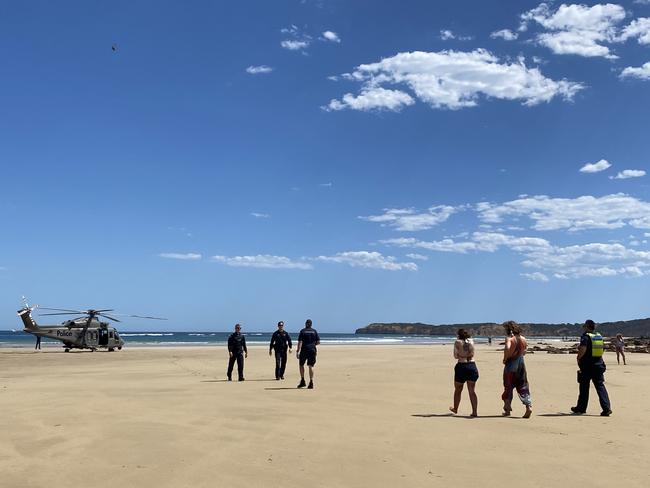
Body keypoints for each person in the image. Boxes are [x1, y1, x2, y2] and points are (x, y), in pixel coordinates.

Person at [572, 320, 612, 416]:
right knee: (600, 386)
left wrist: (578, 358)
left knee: (584, 387)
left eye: (584, 326)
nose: (583, 328)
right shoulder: (598, 336)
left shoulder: (585, 337)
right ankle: (606, 408)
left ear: (587, 327)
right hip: (598, 365)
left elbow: (583, 349)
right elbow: (602, 349)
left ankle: (581, 408)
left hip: (587, 366)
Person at [501, 321, 532, 418]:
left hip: (511, 364)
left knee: (508, 386)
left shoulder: (510, 338)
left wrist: (505, 358)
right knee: (523, 385)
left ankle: (507, 407)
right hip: (521, 364)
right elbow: (525, 351)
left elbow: (507, 347)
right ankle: (528, 407)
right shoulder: (523, 338)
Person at [449, 329, 478, 417]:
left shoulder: (457, 342)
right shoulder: (471, 341)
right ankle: (474, 411)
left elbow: (455, 356)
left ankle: (455, 408)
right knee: (472, 391)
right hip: (472, 366)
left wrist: (462, 355)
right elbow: (472, 353)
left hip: (461, 366)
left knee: (458, 389)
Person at [296, 319, 320, 389]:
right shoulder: (314, 331)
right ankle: (311, 382)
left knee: (301, 365)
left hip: (304, 350)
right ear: (311, 324)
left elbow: (300, 342)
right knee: (311, 366)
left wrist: (298, 351)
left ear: (305, 324)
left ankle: (303, 380)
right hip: (312, 350)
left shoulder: (303, 331)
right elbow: (318, 342)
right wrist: (312, 345)